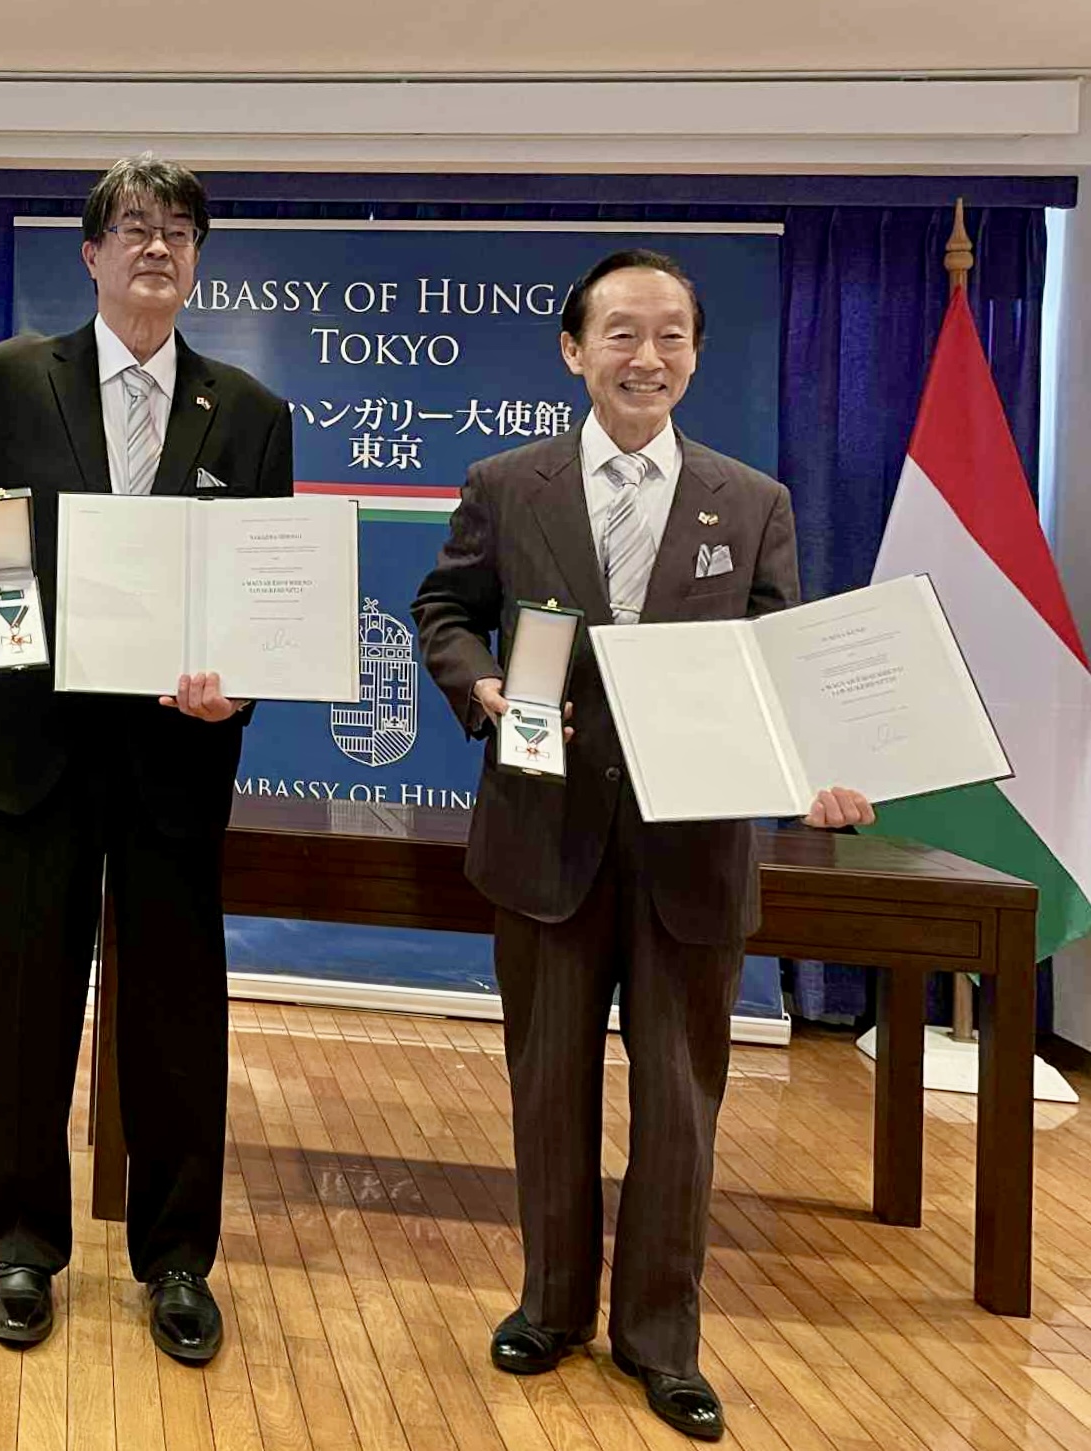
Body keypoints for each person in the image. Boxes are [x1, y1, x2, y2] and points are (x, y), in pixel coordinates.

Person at [411, 249, 872, 1441]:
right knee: (547, 1090)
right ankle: (550, 1306)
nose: (646, 355)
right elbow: (445, 609)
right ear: (574, 350)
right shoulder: (506, 483)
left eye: (671, 334)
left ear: (696, 357)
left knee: (680, 1104)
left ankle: (663, 1340)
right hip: (543, 840)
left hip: (693, 853)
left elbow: (780, 663)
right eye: (621, 332)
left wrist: (822, 761)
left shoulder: (752, 501)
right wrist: (483, 685)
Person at [0, 155, 292, 1363]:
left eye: (179, 231)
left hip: (176, 756)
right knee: (22, 1007)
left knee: (176, 1017)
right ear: (92, 254)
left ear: (198, 259)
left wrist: (242, 683)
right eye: (134, 227)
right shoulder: (11, 376)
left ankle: (177, 1259)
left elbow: (267, 587)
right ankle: (21, 1245)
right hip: (29, 750)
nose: (156, 246)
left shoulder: (251, 412)